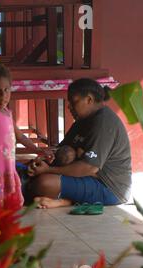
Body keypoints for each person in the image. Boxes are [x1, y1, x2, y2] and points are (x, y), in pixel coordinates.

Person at [28, 78, 132, 209]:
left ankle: (67, 200)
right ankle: (68, 199)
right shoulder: (82, 120)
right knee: (64, 154)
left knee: (44, 184)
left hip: (109, 187)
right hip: (88, 176)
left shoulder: (104, 122)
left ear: (89, 100)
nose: (69, 107)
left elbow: (89, 168)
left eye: (74, 102)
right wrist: (45, 157)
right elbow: (61, 149)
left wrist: (49, 169)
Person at [0, 64, 54, 206]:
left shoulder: (8, 113)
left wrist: (37, 149)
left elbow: (20, 136)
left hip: (7, 170)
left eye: (7, 90)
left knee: (7, 208)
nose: (3, 95)